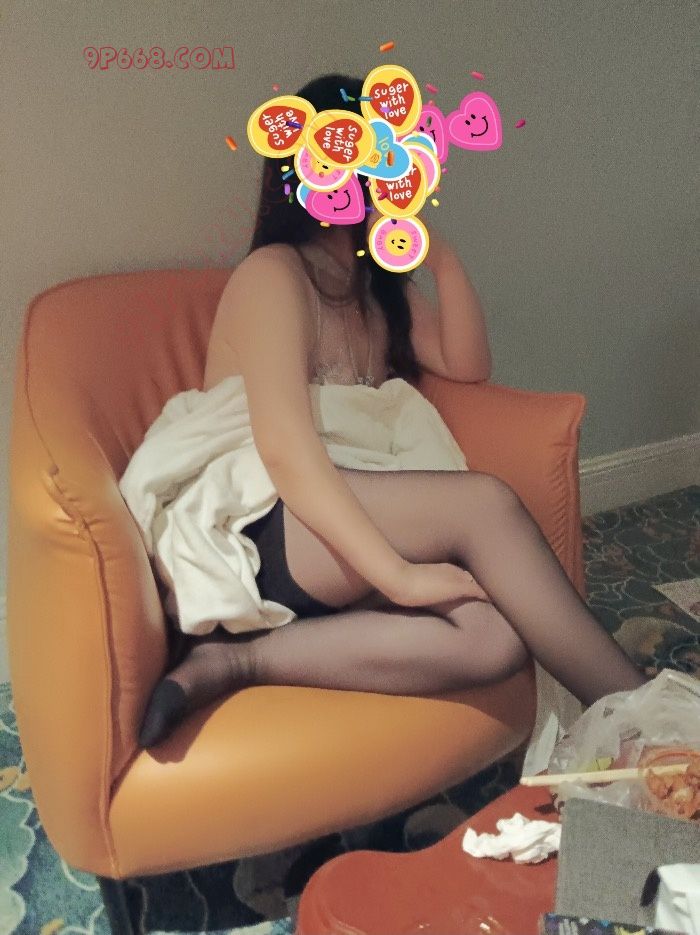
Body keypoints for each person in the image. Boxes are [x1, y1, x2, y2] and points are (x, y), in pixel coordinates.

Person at [137, 73, 647, 749]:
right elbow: (285, 451)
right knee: (485, 504)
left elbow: (468, 363)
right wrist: (399, 576)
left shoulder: (377, 288)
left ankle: (241, 660)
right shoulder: (275, 274)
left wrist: (443, 260)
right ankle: (653, 729)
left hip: (341, 522)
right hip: (263, 525)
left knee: (494, 636)